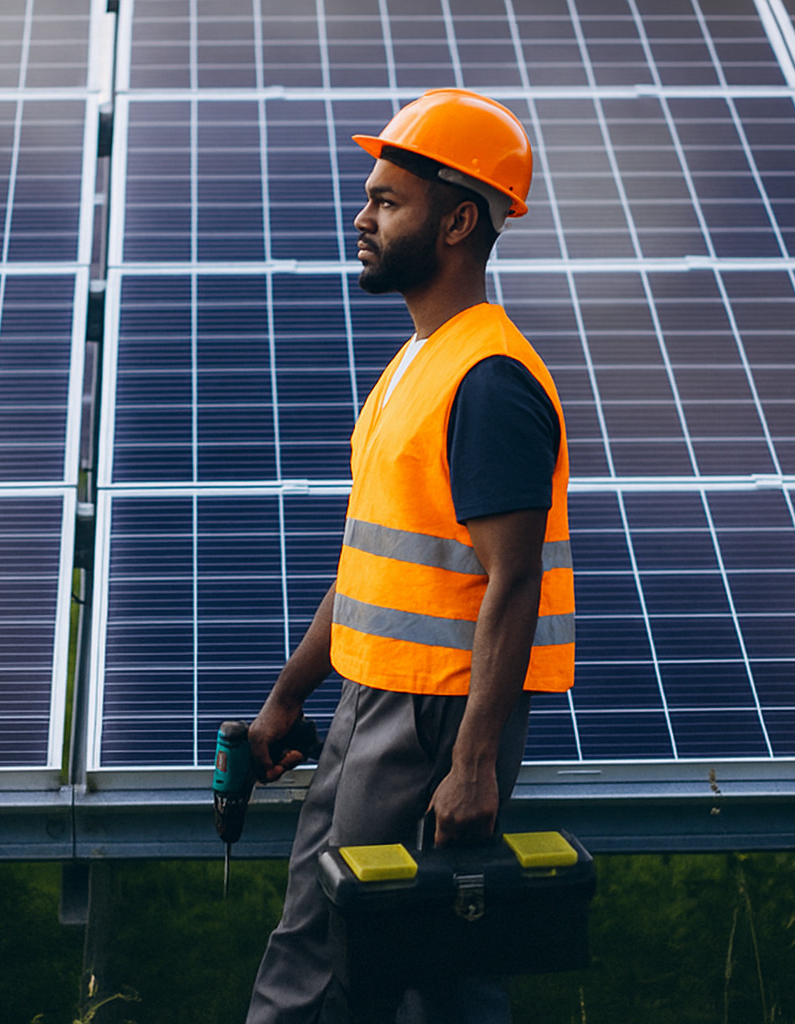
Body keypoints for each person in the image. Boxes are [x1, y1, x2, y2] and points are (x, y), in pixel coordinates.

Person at [244, 89, 576, 1024]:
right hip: (372, 698)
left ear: (459, 220)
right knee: (382, 951)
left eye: (388, 201)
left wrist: (472, 761)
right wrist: (291, 695)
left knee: (372, 952)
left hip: (433, 717)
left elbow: (516, 578)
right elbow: (370, 565)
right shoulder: (418, 364)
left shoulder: (491, 380)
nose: (363, 216)